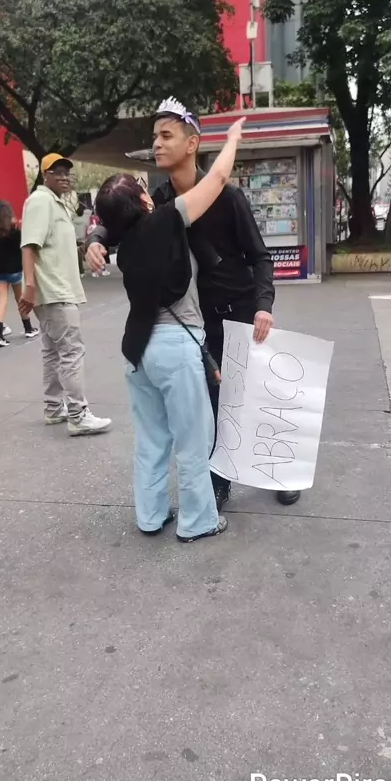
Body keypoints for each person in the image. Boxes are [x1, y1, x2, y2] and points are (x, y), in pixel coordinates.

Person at [86, 96, 301, 509]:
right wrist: (96, 239)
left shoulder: (229, 197)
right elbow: (122, 220)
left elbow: (260, 257)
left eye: (166, 136)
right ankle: (219, 480)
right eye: (155, 137)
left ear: (191, 143)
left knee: (256, 395)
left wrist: (263, 305)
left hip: (239, 310)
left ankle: (282, 469)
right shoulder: (159, 199)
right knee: (214, 403)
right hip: (197, 325)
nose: (157, 144)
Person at [93, 116, 246, 542]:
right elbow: (217, 179)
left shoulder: (125, 248)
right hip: (175, 348)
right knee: (194, 441)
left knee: (151, 440)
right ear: (143, 202)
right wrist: (232, 139)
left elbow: (109, 223)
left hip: (136, 352)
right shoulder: (166, 220)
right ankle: (198, 521)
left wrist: (96, 238)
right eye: (143, 190)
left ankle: (151, 515)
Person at [19, 153, 111, 436]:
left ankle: (54, 408)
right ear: (44, 176)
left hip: (55, 290)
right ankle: (78, 415)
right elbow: (29, 246)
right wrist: (29, 287)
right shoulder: (41, 201)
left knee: (53, 352)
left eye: (66, 172)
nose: (64, 177)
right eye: (56, 172)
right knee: (71, 352)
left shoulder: (56, 203)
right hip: (54, 292)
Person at [0, 200, 39, 348]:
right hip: (14, 271)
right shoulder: (15, 232)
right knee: (20, 299)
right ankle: (28, 328)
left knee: (2, 301)